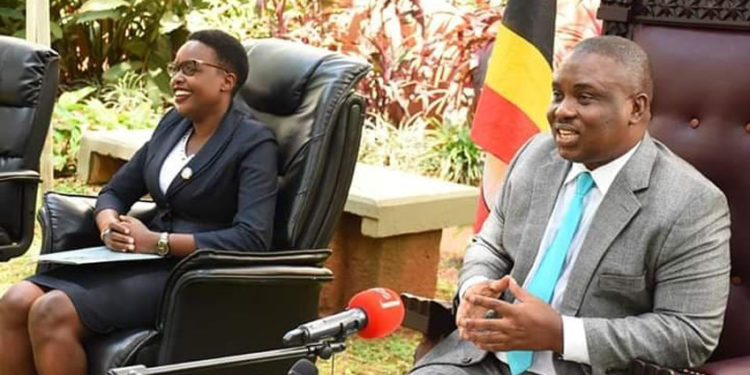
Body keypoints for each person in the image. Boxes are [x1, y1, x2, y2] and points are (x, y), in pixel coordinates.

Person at [410, 36, 730, 375]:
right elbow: (490, 245)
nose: (561, 111)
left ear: (636, 108)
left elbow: (689, 334)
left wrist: (561, 334)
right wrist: (475, 286)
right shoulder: (535, 155)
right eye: (558, 94)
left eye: (585, 97)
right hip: (482, 360)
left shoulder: (690, 203)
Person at [0, 29, 278, 375]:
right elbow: (115, 192)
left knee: (50, 311)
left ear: (226, 80)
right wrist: (108, 227)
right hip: (137, 260)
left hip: (192, 275)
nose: (176, 78)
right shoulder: (174, 124)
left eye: (190, 68)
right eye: (174, 68)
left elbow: (252, 238)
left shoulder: (253, 143)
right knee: (14, 301)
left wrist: (158, 242)